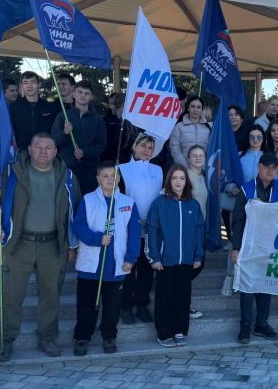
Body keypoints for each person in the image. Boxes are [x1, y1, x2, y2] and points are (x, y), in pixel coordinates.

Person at [0, 133, 81, 361]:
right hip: (19, 244)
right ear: (29, 149)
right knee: (10, 295)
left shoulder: (67, 176)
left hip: (52, 244)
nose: (43, 152)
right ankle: (4, 340)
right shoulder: (11, 173)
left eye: (49, 148)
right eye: (38, 147)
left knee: (51, 295)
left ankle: (46, 337)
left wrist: (72, 245)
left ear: (56, 152)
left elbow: (74, 211)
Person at [71, 161, 142, 356]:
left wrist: (131, 258)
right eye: (105, 176)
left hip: (116, 267)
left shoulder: (128, 203)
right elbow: (78, 226)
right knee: (86, 305)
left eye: (114, 176)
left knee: (112, 307)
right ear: (98, 178)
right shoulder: (88, 200)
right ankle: (82, 337)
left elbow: (134, 233)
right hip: (91, 266)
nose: (110, 180)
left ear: (119, 178)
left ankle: (109, 336)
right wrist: (96, 238)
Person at [145, 165, 204, 347]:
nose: (178, 182)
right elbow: (151, 231)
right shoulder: (159, 203)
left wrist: (198, 255)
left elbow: (199, 231)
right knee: (165, 298)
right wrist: (154, 257)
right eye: (174, 178)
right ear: (169, 181)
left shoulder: (193, 205)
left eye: (182, 178)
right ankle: (164, 333)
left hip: (186, 260)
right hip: (165, 261)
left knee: (182, 296)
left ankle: (179, 330)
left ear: (186, 181)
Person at [231, 154, 278, 344]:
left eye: (274, 168)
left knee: (266, 284)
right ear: (259, 167)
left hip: (271, 247)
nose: (270, 171)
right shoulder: (246, 189)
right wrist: (236, 247)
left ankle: (261, 323)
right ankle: (245, 326)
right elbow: (237, 220)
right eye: (267, 167)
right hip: (249, 245)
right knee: (247, 286)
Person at [118, 134, 164, 324]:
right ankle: (125, 306)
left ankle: (142, 305)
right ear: (134, 147)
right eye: (143, 146)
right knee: (129, 267)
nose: (146, 150)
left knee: (146, 269)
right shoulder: (121, 169)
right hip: (130, 228)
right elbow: (119, 198)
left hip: (151, 230)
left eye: (150, 147)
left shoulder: (158, 170)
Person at [51, 80, 106, 194]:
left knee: (86, 204)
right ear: (74, 94)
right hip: (67, 169)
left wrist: (85, 153)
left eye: (86, 93)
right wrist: (64, 133)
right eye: (80, 92)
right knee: (67, 205)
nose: (83, 96)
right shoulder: (63, 116)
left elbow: (101, 145)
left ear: (91, 97)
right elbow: (53, 142)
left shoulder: (98, 119)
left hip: (89, 170)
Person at [185, 145, 208, 319]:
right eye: (194, 155)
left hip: (200, 227)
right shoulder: (185, 176)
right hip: (187, 229)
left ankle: (181, 300)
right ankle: (183, 304)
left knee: (197, 265)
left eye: (201, 155)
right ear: (188, 158)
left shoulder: (202, 176)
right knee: (190, 266)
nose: (198, 158)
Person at [11, 71, 59, 152]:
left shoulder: (50, 107)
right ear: (21, 86)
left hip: (44, 152)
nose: (29, 86)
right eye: (25, 83)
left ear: (39, 84)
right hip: (21, 153)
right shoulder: (13, 107)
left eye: (32, 82)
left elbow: (55, 132)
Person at [168, 96, 211, 167]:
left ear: (202, 109)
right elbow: (174, 149)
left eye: (198, 107)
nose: (195, 110)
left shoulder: (208, 127)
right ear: (188, 108)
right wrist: (186, 168)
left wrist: (204, 167)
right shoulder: (179, 126)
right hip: (184, 169)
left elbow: (212, 150)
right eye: (192, 106)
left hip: (203, 170)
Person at [101, 92, 136, 163]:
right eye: (111, 104)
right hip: (109, 161)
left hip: (124, 161)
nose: (113, 107)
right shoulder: (105, 121)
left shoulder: (130, 123)